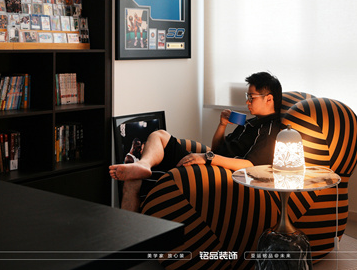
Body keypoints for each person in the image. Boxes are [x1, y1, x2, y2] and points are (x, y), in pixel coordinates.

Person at [109, 71, 284, 212]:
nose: (247, 101)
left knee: (134, 181)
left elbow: (251, 165)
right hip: (209, 162)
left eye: (251, 97)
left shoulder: (271, 131)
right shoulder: (250, 123)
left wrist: (207, 157)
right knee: (159, 135)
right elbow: (217, 148)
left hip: (217, 175)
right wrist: (222, 125)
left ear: (269, 99)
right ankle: (143, 165)